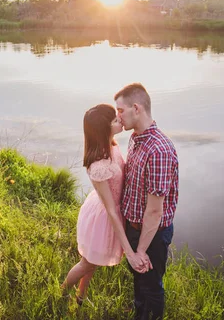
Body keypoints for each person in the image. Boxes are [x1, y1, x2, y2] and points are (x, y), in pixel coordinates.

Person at [61, 104, 148, 305]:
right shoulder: (99, 165)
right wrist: (128, 247)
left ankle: (80, 297)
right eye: (115, 120)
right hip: (104, 217)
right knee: (87, 263)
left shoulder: (112, 145)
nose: (120, 120)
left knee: (92, 263)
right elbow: (110, 209)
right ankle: (61, 293)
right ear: (104, 130)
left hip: (111, 210)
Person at [115, 83, 179, 320]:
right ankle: (138, 314)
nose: (118, 116)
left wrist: (140, 250)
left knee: (152, 287)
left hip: (152, 235)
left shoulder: (158, 149)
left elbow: (154, 211)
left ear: (136, 108)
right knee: (138, 282)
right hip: (134, 230)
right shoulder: (135, 138)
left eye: (120, 110)